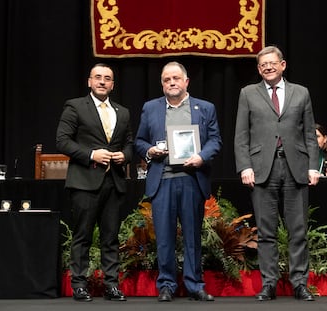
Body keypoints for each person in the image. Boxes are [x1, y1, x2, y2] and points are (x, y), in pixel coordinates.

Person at [234, 46, 320, 301]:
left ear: (283, 65)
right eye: (263, 65)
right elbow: (241, 135)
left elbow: (309, 135)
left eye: (272, 63)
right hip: (262, 169)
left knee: (298, 230)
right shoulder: (248, 93)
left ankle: (299, 284)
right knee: (266, 230)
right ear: (258, 69)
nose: (268, 67)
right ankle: (269, 283)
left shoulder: (301, 93)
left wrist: (313, 166)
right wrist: (245, 166)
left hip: (296, 167)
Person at [135, 61, 222, 302]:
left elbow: (215, 140)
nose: (171, 82)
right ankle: (167, 285)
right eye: (166, 79)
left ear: (186, 82)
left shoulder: (205, 108)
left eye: (176, 78)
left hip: (192, 180)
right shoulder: (150, 108)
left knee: (192, 236)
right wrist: (150, 150)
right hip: (162, 180)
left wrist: (201, 157)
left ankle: (195, 285)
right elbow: (139, 141)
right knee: (164, 237)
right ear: (162, 84)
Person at [56, 63, 134, 302]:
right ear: (89, 81)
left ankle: (112, 285)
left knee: (110, 238)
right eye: (97, 77)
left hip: (114, 182)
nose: (102, 81)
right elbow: (62, 141)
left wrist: (126, 155)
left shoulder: (122, 111)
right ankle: (79, 284)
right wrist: (91, 155)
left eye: (107, 78)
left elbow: (129, 142)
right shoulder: (76, 106)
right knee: (83, 236)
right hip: (84, 182)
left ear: (113, 84)